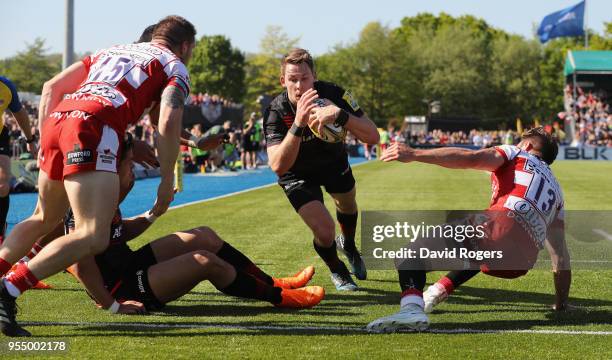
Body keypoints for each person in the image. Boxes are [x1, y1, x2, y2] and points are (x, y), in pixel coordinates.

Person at [0, 15, 197, 337]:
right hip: (94, 126)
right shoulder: (174, 64)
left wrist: (43, 137)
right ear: (185, 45)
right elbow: (168, 120)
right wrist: (165, 180)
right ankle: (8, 288)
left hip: (60, 118)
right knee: (93, 234)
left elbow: (52, 87)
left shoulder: (111, 50)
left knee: (44, 217)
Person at [34, 134, 323, 313]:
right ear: (112, 166)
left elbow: (121, 233)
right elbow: (79, 265)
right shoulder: (90, 200)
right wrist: (112, 305)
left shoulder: (111, 189)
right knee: (204, 261)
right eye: (130, 162)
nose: (134, 168)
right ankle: (280, 297)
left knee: (204, 236)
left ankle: (271, 281)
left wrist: (153, 214)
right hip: (122, 287)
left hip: (130, 265)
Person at [366, 127, 570, 332]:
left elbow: (471, 158)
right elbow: (560, 255)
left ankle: (411, 309)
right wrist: (561, 304)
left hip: (499, 227)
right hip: (521, 261)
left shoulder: (517, 153)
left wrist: (414, 154)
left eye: (519, 141)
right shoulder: (558, 193)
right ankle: (436, 292)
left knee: (408, 256)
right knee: (479, 248)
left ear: (527, 145)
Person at [263, 48, 379, 291]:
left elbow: (373, 136)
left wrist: (341, 115)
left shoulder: (335, 93)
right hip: (296, 173)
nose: (299, 85)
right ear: (283, 81)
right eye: (292, 79)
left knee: (348, 205)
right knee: (325, 231)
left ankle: (348, 244)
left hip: (333, 162)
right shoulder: (276, 111)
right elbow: (277, 165)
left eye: (304, 78)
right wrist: (298, 123)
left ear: (314, 76)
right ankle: (338, 270)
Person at [0, 77, 35, 240]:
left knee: (2, 184)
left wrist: (30, 140)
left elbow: (20, 114)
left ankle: (0, 233)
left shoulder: (6, 86)